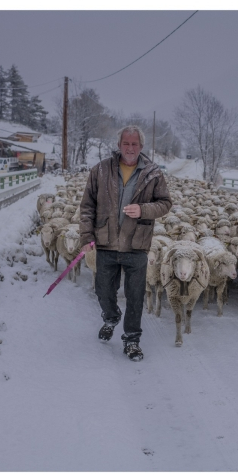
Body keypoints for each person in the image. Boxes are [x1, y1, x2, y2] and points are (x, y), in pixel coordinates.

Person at [79, 125, 172, 361]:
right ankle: (110, 317)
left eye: (134, 144)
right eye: (126, 143)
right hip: (105, 243)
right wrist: (86, 237)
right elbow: (88, 206)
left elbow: (165, 203)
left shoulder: (153, 173)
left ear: (141, 146)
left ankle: (132, 339)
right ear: (119, 145)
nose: (130, 148)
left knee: (135, 296)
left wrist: (143, 209)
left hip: (136, 245)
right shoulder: (100, 170)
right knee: (103, 291)